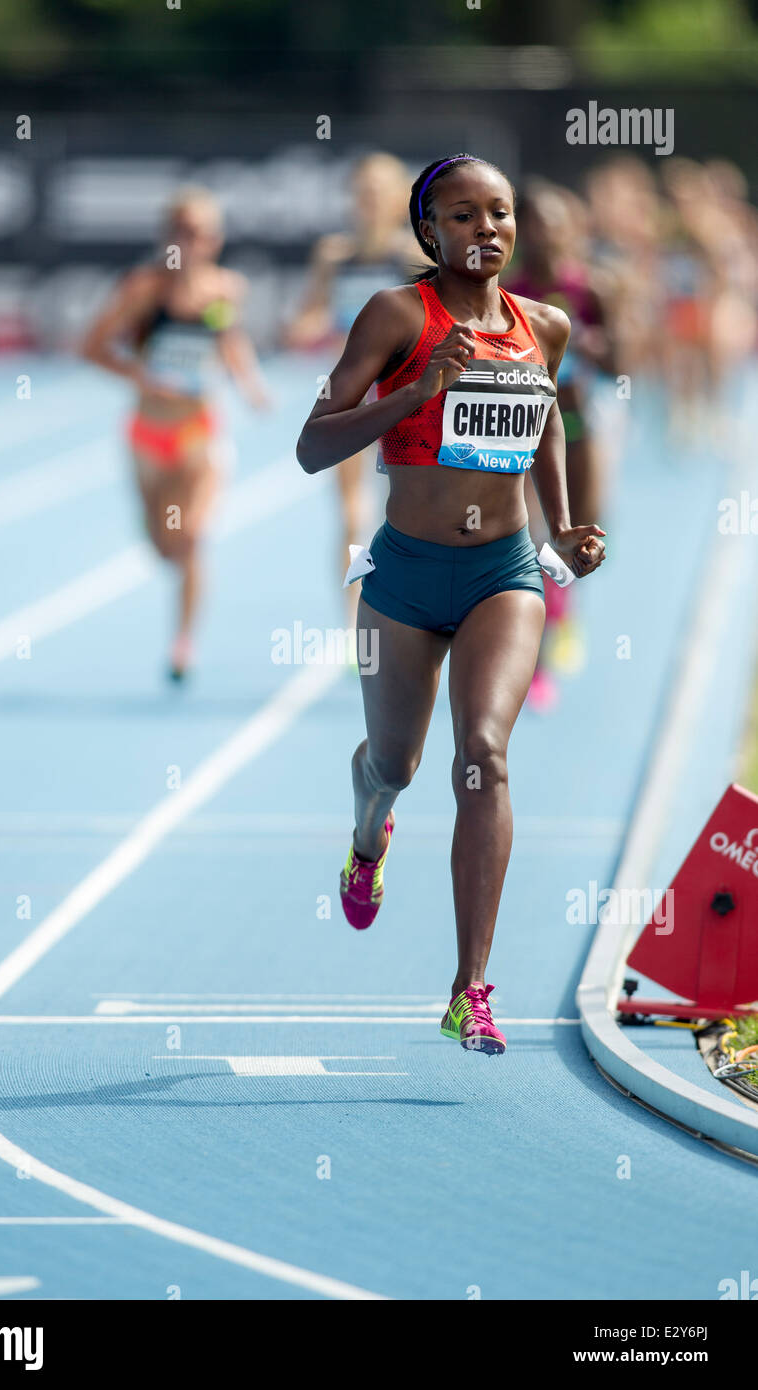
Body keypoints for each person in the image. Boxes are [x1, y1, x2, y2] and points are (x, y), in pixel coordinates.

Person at [296, 154, 605, 1055]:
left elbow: (545, 417)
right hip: (402, 577)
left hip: (501, 575)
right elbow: (313, 446)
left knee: (486, 755)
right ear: (430, 231)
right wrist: (416, 394)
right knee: (395, 764)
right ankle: (367, 834)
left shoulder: (545, 325)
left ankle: (471, 987)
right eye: (463, 215)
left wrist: (565, 530)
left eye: (499, 213)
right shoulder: (397, 315)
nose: (487, 229)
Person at [82, 186, 269, 679]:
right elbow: (91, 347)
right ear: (167, 237)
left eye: (203, 233)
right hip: (147, 434)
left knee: (190, 538)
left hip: (198, 430)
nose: (192, 242)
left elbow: (228, 339)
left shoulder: (225, 290)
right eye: (183, 232)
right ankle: (162, 542)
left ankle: (183, 645)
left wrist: (249, 385)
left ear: (216, 239)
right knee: (164, 547)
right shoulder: (143, 290)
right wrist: (139, 375)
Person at [286, 153, 418, 626]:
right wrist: (313, 325)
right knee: (348, 515)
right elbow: (305, 318)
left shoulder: (413, 257)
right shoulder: (334, 255)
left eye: (379, 192)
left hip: (402, 399)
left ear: (398, 199)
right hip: (346, 398)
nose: (368, 201)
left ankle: (407, 614)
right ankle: (353, 620)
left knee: (406, 512)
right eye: (362, 192)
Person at [506, 179, 618, 707]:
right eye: (533, 223)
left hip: (579, 426)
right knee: (535, 540)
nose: (543, 233)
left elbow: (623, 364)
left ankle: (565, 611)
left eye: (553, 223)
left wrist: (595, 348)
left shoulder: (590, 289)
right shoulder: (509, 289)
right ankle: (540, 658)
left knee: (586, 532)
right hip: (527, 431)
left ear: (568, 229)